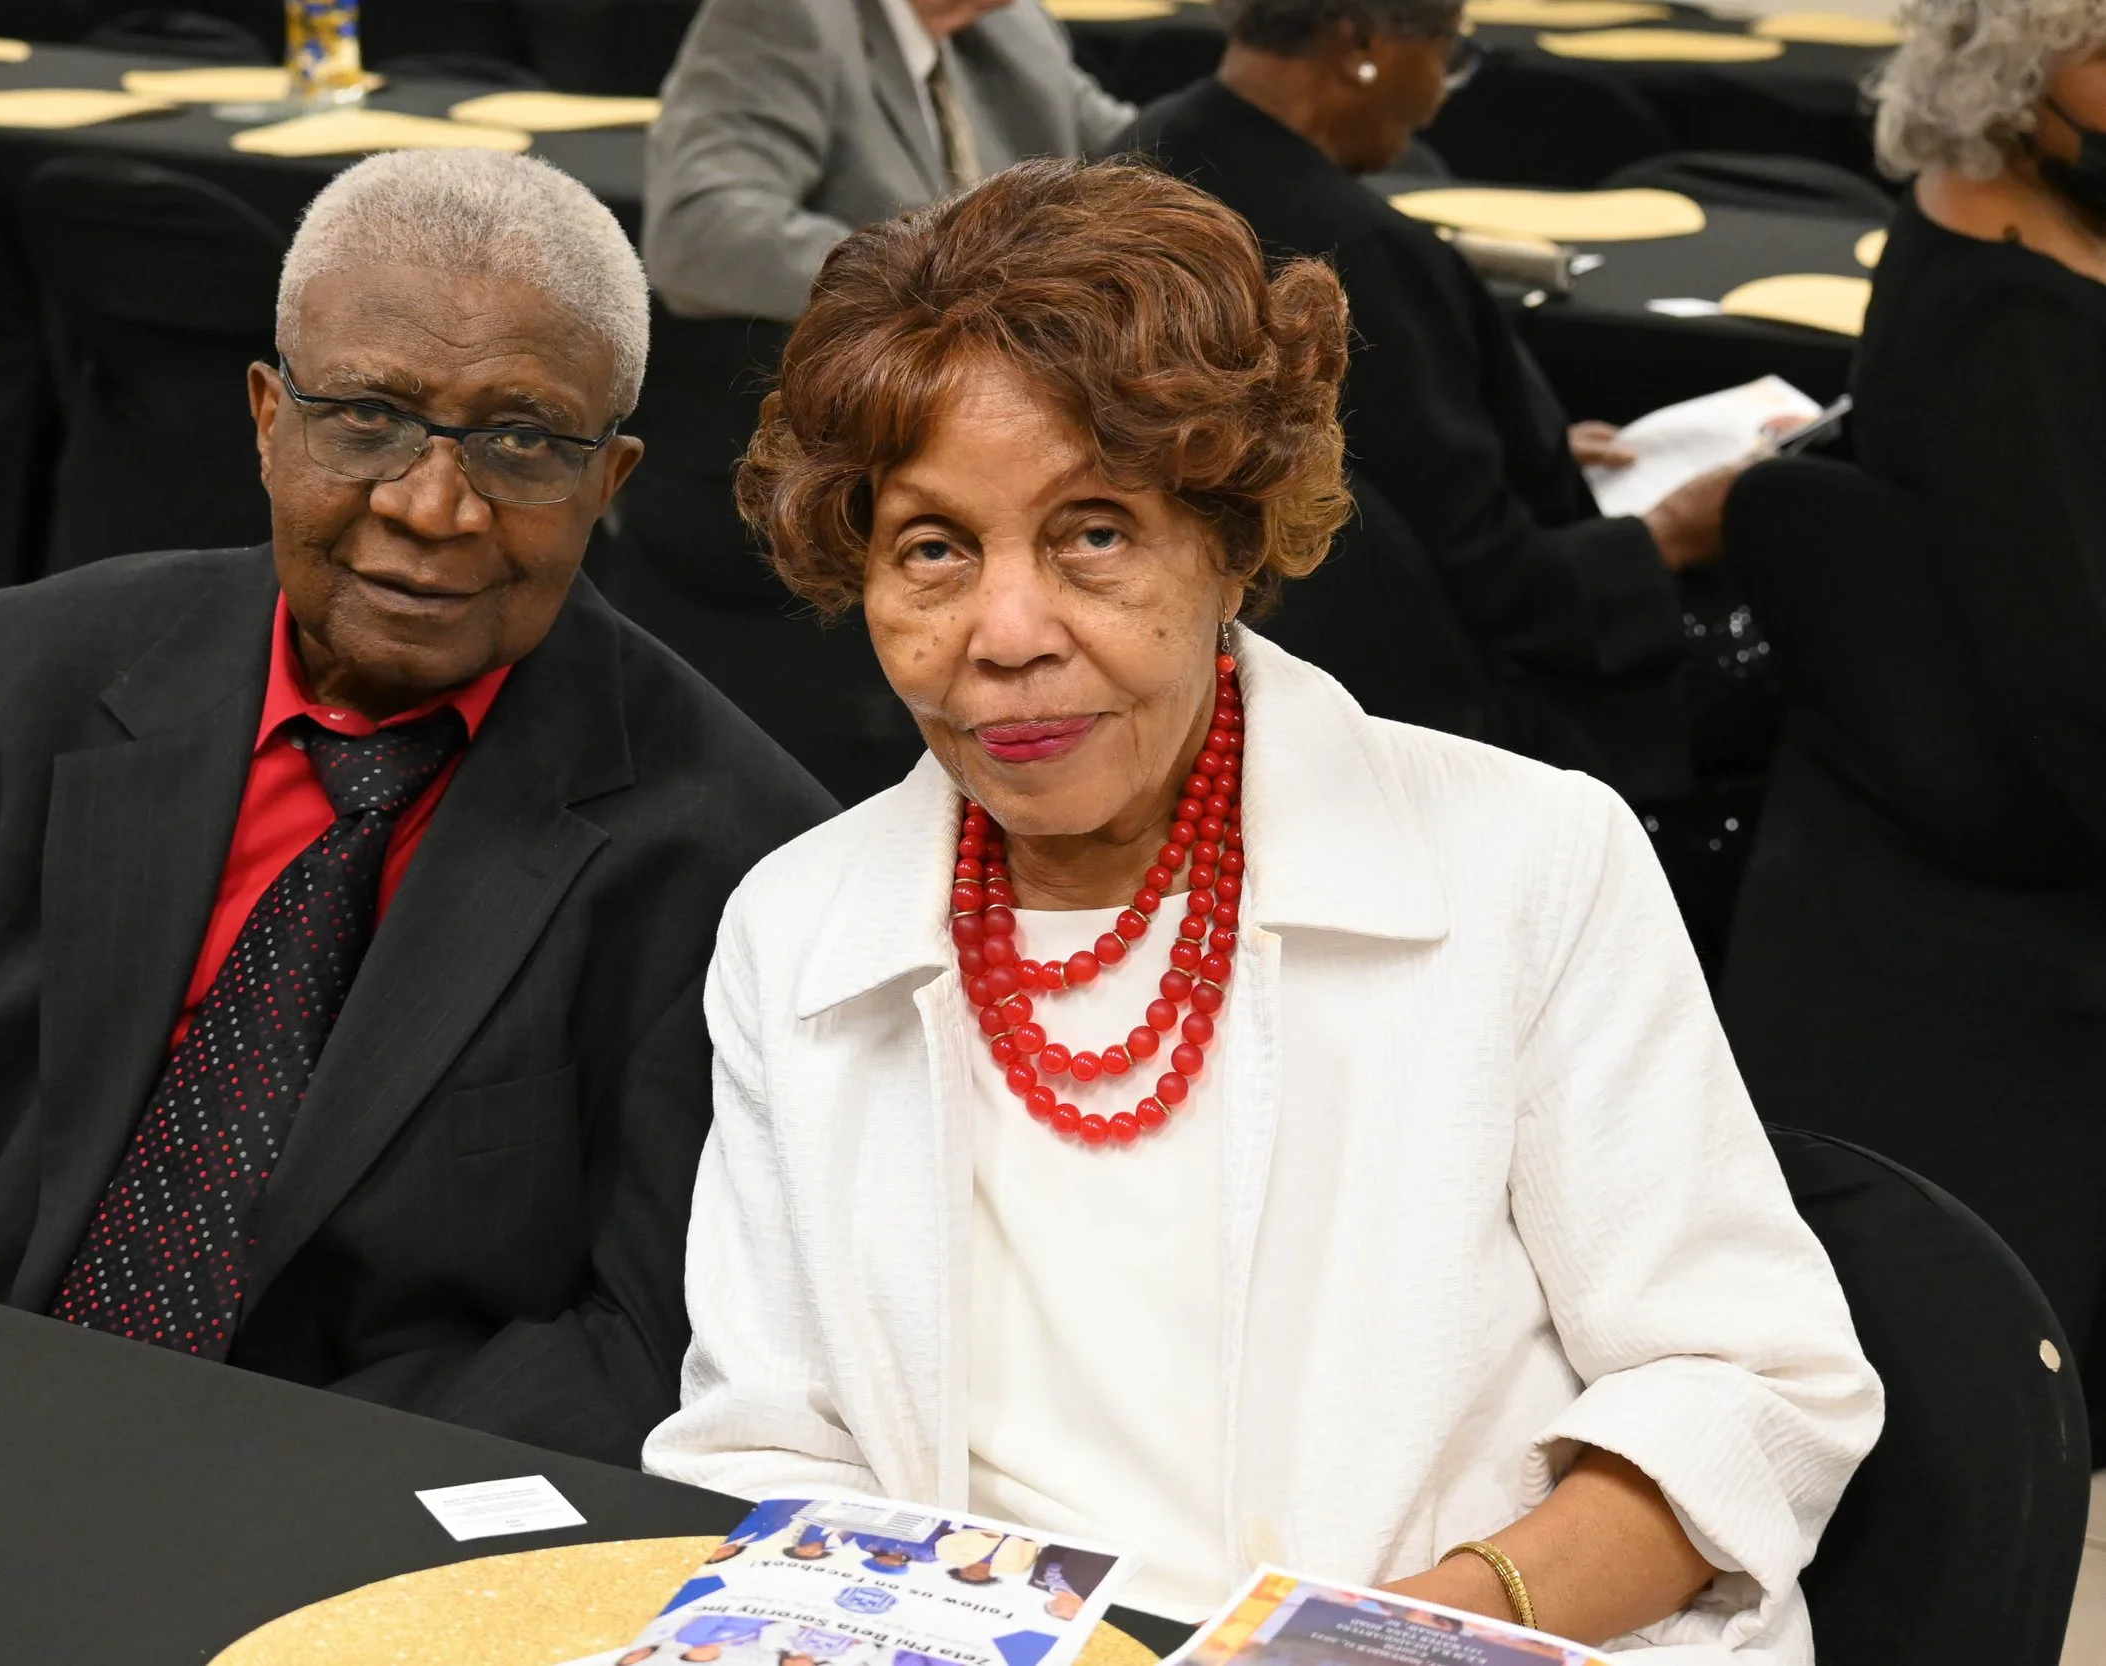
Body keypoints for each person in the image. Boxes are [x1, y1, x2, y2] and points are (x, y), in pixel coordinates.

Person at [642, 160, 1879, 1656]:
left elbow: (1744, 1390)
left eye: (1095, 531)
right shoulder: (797, 926)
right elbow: (770, 1446)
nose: (1007, 634)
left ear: (1233, 540)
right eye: (934, 549)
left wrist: (1373, 1642)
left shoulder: (1526, 863)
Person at [0, 149, 834, 1464]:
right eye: (367, 417)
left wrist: (228, 1484)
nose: (431, 506)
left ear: (610, 481)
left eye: (523, 441)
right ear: (265, 418)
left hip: (345, 1492)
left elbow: (639, 1339)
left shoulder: (737, 856)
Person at [1722, 0, 2106, 1428]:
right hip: (2019, 845)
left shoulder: (2029, 236)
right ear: (2013, 73)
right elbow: (2074, 683)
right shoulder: (2010, 324)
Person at [1113, 0, 1751, 805]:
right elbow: (1495, 587)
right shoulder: (1359, 265)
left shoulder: (1136, 162)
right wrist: (1666, 536)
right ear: (1364, 43)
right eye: (1448, 53)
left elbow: (1390, 454)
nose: (1444, 92)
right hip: (1424, 715)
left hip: (1193, 676)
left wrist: (1511, 435)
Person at [645, 0, 1131, 323]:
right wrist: (946, 285)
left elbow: (1134, 156)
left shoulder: (1014, 23)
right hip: (864, 411)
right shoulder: (788, 12)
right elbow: (699, 232)